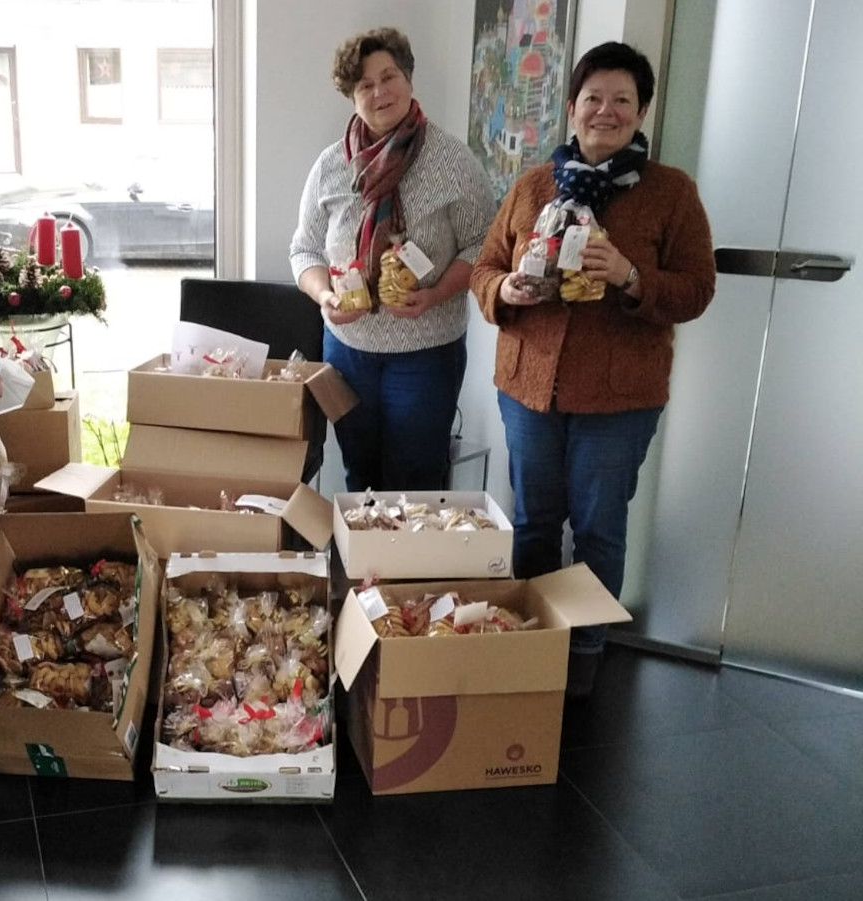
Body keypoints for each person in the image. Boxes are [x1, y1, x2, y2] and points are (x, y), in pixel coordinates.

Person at [470, 42, 716, 698]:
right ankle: (529, 634)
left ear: (642, 114)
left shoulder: (671, 194)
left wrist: (633, 276)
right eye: (593, 98)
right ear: (573, 108)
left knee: (600, 523)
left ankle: (584, 645)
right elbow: (484, 268)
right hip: (529, 387)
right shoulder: (532, 186)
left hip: (619, 395)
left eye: (622, 100)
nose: (605, 111)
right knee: (533, 521)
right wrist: (506, 293)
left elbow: (697, 289)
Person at [290, 27, 496, 492]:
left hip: (426, 353)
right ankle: (366, 566)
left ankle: (410, 564)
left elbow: (484, 245)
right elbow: (304, 248)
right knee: (359, 477)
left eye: (389, 76)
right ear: (352, 96)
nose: (380, 91)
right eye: (365, 85)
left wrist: (436, 293)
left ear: (409, 78)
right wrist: (324, 295)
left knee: (416, 481)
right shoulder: (330, 166)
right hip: (348, 351)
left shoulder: (453, 161)